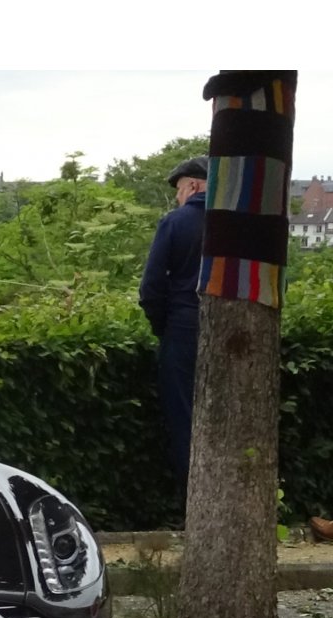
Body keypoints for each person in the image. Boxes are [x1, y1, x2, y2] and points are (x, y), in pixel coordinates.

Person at [138, 155, 209, 493]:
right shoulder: (241, 224)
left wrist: (162, 328)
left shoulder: (176, 223)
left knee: (185, 423)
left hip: (183, 329)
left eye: (179, 191)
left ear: (192, 185)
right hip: (237, 334)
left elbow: (151, 288)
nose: (179, 199)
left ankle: (195, 508)